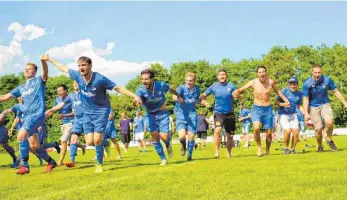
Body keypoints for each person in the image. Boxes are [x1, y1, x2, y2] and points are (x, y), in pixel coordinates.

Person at [45, 54, 141, 173]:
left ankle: (99, 164)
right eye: (79, 65)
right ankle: (105, 143)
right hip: (87, 113)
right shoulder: (77, 76)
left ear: (90, 66)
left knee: (96, 139)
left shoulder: (100, 79)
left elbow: (118, 88)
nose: (81, 68)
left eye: (84, 65)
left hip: (101, 111)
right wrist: (50, 59)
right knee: (90, 141)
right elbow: (63, 68)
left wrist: (135, 96)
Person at [0, 57, 57, 174]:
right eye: (25, 69)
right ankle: (51, 162)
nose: (26, 70)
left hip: (37, 115)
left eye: (29, 69)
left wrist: (43, 61)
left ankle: (25, 166)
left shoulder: (39, 81)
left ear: (35, 71)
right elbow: (5, 97)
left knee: (21, 136)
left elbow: (45, 73)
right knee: (35, 146)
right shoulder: (21, 88)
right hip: (27, 118)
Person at [234, 66, 289, 156]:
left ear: (265, 73)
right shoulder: (253, 82)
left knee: (269, 132)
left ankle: (267, 150)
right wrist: (237, 91)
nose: (262, 73)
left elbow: (278, 91)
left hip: (268, 109)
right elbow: (242, 89)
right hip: (256, 108)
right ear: (257, 74)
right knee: (256, 128)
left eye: (263, 72)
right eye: (260, 72)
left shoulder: (270, 82)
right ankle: (259, 147)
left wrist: (285, 99)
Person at [134, 69, 183, 165]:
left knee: (164, 137)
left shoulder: (161, 85)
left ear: (152, 79)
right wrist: (136, 102)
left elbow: (171, 89)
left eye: (146, 79)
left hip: (163, 113)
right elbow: (135, 100)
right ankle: (163, 159)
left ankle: (168, 144)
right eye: (142, 79)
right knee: (155, 138)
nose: (144, 81)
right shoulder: (140, 89)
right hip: (150, 115)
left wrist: (178, 96)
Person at [302, 64, 347, 152]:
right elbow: (305, 98)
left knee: (329, 122)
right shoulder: (307, 83)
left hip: (325, 104)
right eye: (315, 72)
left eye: (319, 72)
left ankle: (329, 140)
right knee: (318, 129)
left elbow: (336, 92)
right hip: (313, 107)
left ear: (321, 72)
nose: (317, 74)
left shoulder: (327, 80)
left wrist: (345, 103)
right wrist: (306, 113)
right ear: (312, 72)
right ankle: (319, 145)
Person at [200, 69, 240, 158]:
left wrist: (238, 96)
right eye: (220, 75)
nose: (222, 76)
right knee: (217, 131)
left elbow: (239, 95)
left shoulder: (232, 86)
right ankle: (217, 152)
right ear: (217, 76)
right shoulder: (214, 87)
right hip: (218, 113)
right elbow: (203, 95)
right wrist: (204, 102)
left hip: (230, 113)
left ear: (226, 76)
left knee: (229, 136)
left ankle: (229, 153)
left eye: (223, 74)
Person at [173, 72, 201, 161]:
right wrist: (178, 98)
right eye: (187, 80)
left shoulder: (197, 90)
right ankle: (183, 144)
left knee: (191, 136)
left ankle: (189, 156)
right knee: (181, 136)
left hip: (192, 115)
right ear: (185, 80)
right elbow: (174, 96)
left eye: (191, 81)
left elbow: (198, 100)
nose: (189, 82)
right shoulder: (181, 88)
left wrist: (203, 102)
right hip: (181, 114)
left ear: (194, 81)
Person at [276, 76, 304, 154]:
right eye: (291, 84)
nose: (292, 86)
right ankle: (286, 148)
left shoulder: (299, 94)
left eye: (294, 84)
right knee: (288, 131)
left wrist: (306, 114)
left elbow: (299, 106)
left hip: (293, 114)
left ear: (297, 85)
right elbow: (276, 103)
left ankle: (293, 149)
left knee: (295, 131)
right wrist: (284, 104)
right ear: (288, 85)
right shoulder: (284, 91)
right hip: (283, 114)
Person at [52, 84, 74, 165]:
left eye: (60, 91)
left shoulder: (71, 99)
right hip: (63, 123)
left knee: (63, 141)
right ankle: (82, 146)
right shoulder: (57, 99)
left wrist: (64, 115)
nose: (59, 93)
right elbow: (53, 110)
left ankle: (60, 161)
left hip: (71, 122)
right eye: (58, 91)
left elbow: (74, 113)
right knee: (69, 142)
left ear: (66, 91)